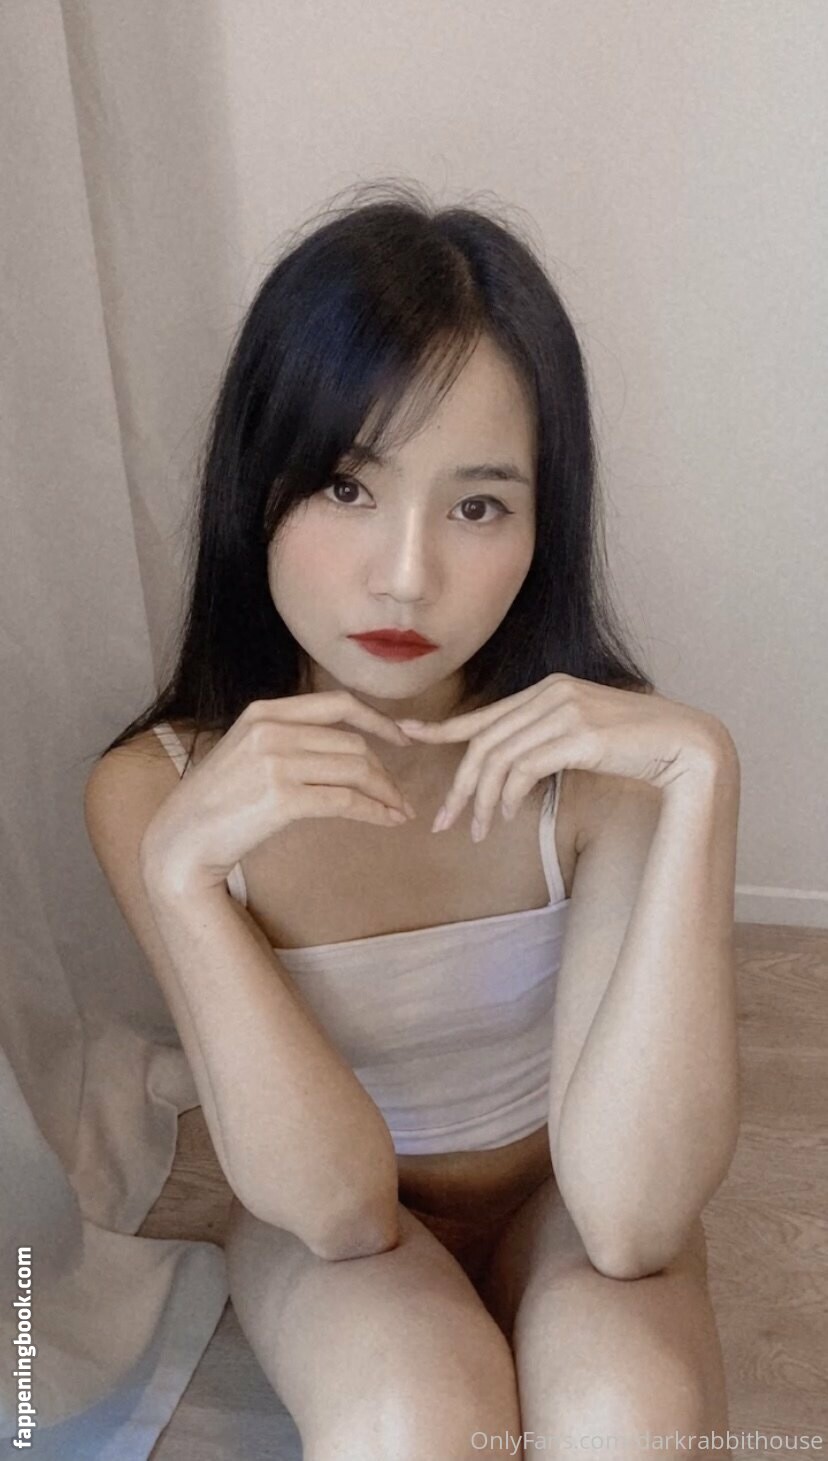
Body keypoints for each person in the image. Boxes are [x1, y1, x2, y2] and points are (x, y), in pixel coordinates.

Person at [84, 181, 740, 1458]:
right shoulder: (159, 789)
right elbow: (339, 1213)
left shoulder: (600, 766)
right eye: (346, 487)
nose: (406, 575)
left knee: (630, 1421)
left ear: (544, 526)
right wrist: (183, 884)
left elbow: (630, 1222)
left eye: (478, 505)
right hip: (331, 1238)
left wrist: (703, 782)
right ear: (258, 484)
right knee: (414, 1423)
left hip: (566, 1199)